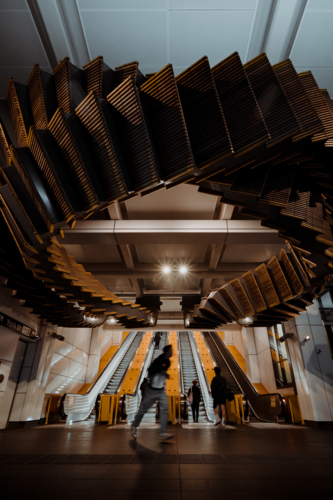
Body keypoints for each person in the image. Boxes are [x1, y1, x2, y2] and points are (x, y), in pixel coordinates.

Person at [131, 344, 175, 441]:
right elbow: (150, 370)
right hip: (152, 390)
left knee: (164, 409)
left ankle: (163, 433)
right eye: (171, 350)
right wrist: (161, 369)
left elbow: (163, 371)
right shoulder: (158, 360)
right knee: (143, 409)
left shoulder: (168, 361)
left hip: (161, 390)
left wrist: (165, 374)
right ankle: (134, 426)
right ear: (166, 352)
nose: (172, 352)